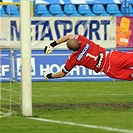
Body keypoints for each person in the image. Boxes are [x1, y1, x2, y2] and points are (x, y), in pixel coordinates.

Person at [44, 34, 133, 81]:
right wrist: (52, 44)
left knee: (131, 75)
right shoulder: (84, 41)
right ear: (78, 41)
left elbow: (62, 73)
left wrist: (50, 75)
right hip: (111, 57)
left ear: (70, 49)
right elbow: (68, 36)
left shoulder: (73, 59)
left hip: (108, 69)